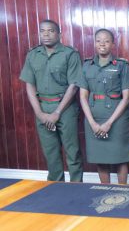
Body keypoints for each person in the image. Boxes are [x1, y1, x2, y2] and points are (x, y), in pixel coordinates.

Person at [19, 19, 83, 182]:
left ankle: (77, 189)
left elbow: (73, 86)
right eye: (42, 31)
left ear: (59, 34)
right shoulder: (33, 55)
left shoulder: (70, 54)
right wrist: (39, 113)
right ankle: (55, 190)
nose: (46, 34)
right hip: (42, 107)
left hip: (65, 108)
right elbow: (30, 85)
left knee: (72, 152)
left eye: (50, 31)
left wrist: (57, 112)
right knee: (51, 153)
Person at [77, 29, 129, 184]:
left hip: (117, 118)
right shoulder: (87, 66)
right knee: (100, 157)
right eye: (99, 40)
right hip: (93, 117)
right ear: (94, 43)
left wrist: (109, 123)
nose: (102, 44)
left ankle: (123, 192)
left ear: (113, 44)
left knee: (120, 158)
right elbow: (83, 96)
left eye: (106, 41)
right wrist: (93, 123)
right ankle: (105, 190)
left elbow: (126, 97)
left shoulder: (121, 65)